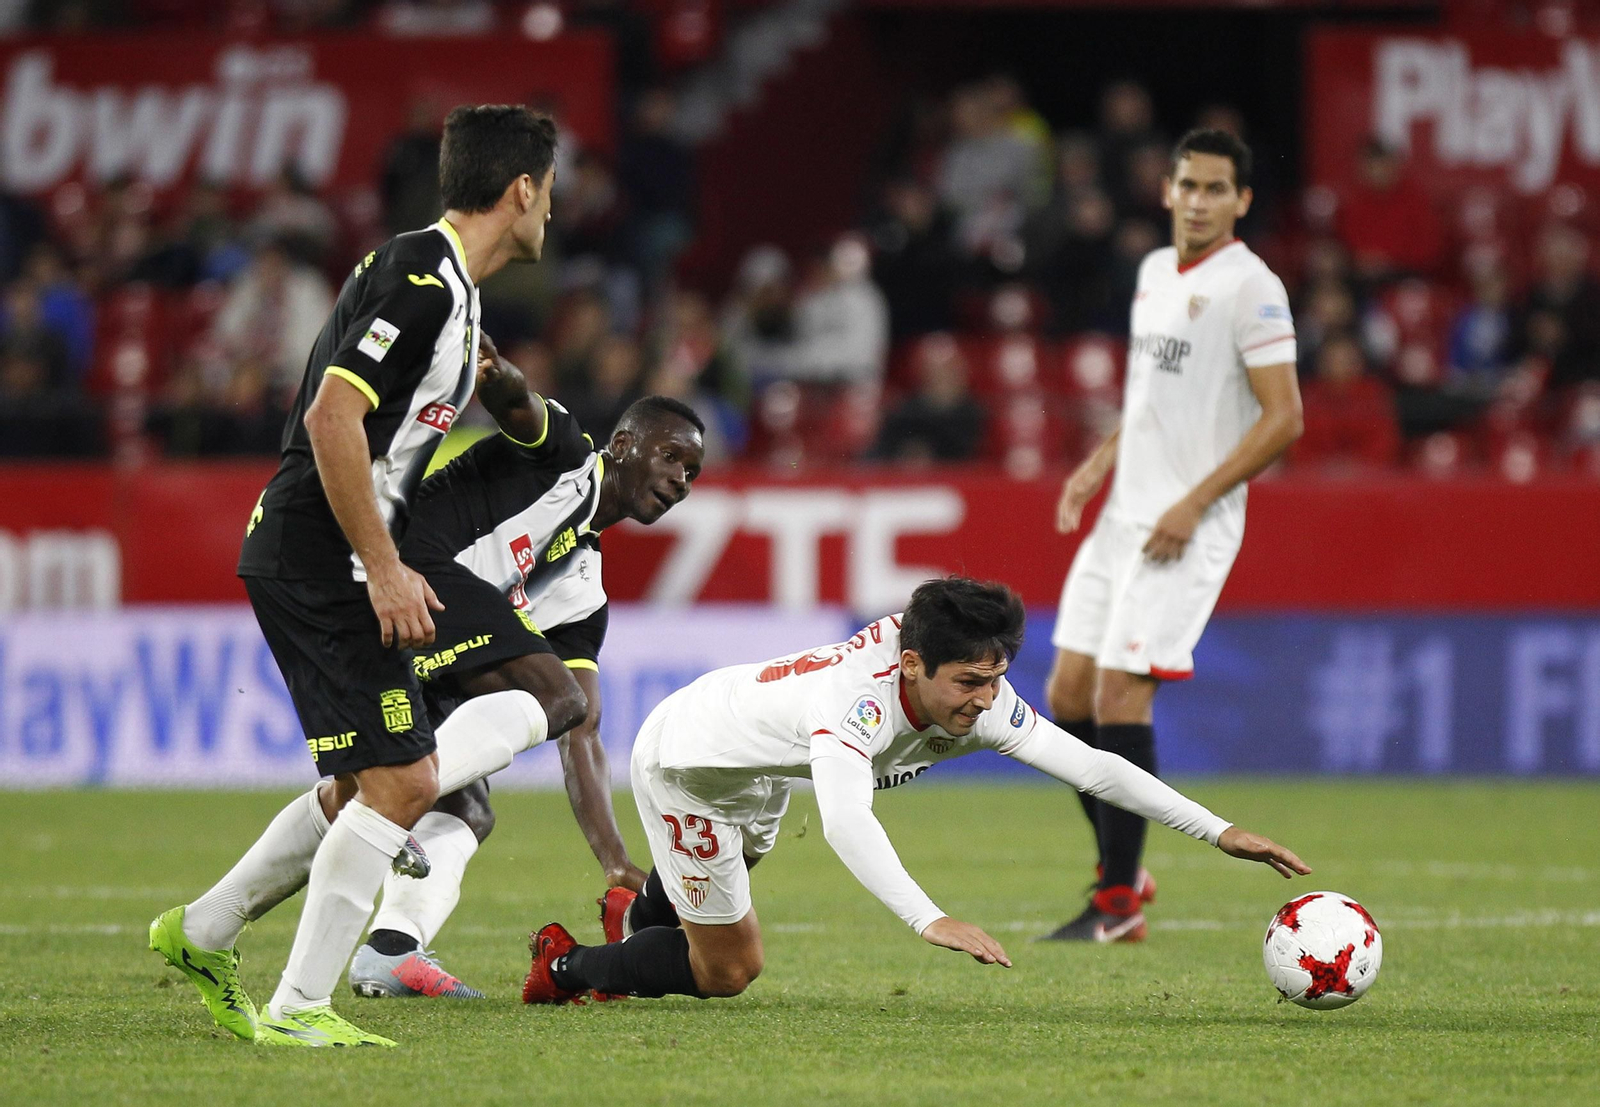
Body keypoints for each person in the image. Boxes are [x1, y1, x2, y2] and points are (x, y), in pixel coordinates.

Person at [148, 105, 560, 1048]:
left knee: (363, 784)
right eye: (551, 192)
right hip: (323, 551)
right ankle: (297, 1008)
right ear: (522, 189)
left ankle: (204, 931)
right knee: (407, 780)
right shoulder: (425, 279)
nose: (553, 212)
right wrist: (381, 567)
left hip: (316, 546)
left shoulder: (431, 276)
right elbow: (337, 417)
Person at [521, 578, 1310, 1005]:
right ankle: (563, 967)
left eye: (995, 678)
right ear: (910, 666)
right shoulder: (852, 706)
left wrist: (1218, 830)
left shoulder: (977, 690)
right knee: (730, 971)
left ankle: (640, 915)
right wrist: (928, 916)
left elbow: (1091, 765)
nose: (983, 700)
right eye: (967, 682)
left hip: (758, 763)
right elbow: (845, 818)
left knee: (706, 910)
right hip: (689, 766)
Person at [345, 345, 705, 999]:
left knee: (469, 807)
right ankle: (376, 800)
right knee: (543, 696)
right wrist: (499, 376)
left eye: (694, 471)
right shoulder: (564, 455)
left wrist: (615, 861)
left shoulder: (584, 593)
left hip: (422, 643)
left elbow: (582, 731)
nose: (682, 478)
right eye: (672, 456)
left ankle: (389, 949)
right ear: (623, 443)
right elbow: (520, 407)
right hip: (387, 579)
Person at [1041, 129, 1303, 943]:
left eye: (1215, 189)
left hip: (1186, 526)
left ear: (1242, 200)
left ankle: (1116, 901)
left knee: (1122, 694)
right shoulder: (1156, 273)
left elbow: (1286, 417)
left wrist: (1192, 502)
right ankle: (1127, 867)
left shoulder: (1252, 288)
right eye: (1186, 185)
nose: (1197, 201)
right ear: (1166, 190)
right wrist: (1098, 464)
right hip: (1123, 515)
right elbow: (1152, 399)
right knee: (1064, 697)